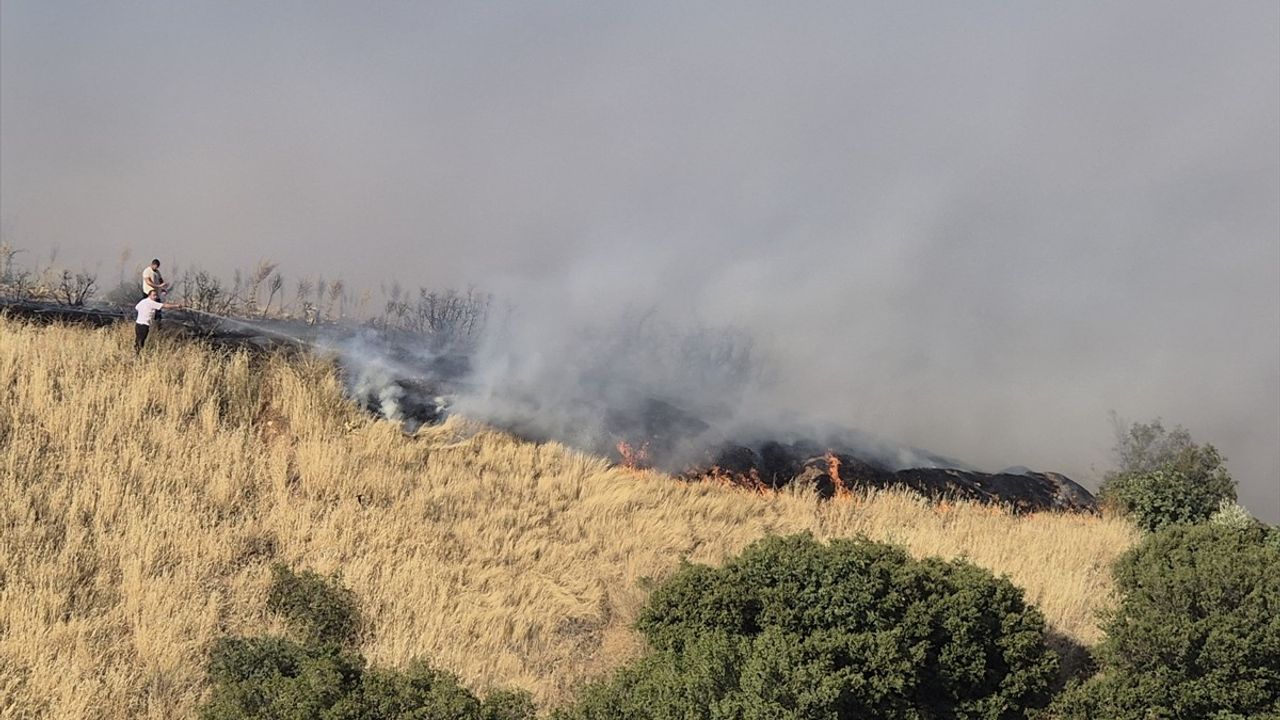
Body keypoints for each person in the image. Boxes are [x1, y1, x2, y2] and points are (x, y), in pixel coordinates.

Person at [134, 289, 182, 354]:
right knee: (141, 341)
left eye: (156, 295)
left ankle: (137, 354)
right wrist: (176, 306)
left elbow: (136, 308)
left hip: (138, 324)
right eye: (154, 295)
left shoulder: (143, 301)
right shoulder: (151, 303)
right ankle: (137, 355)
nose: (155, 297)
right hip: (143, 325)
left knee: (139, 340)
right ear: (149, 295)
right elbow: (165, 306)